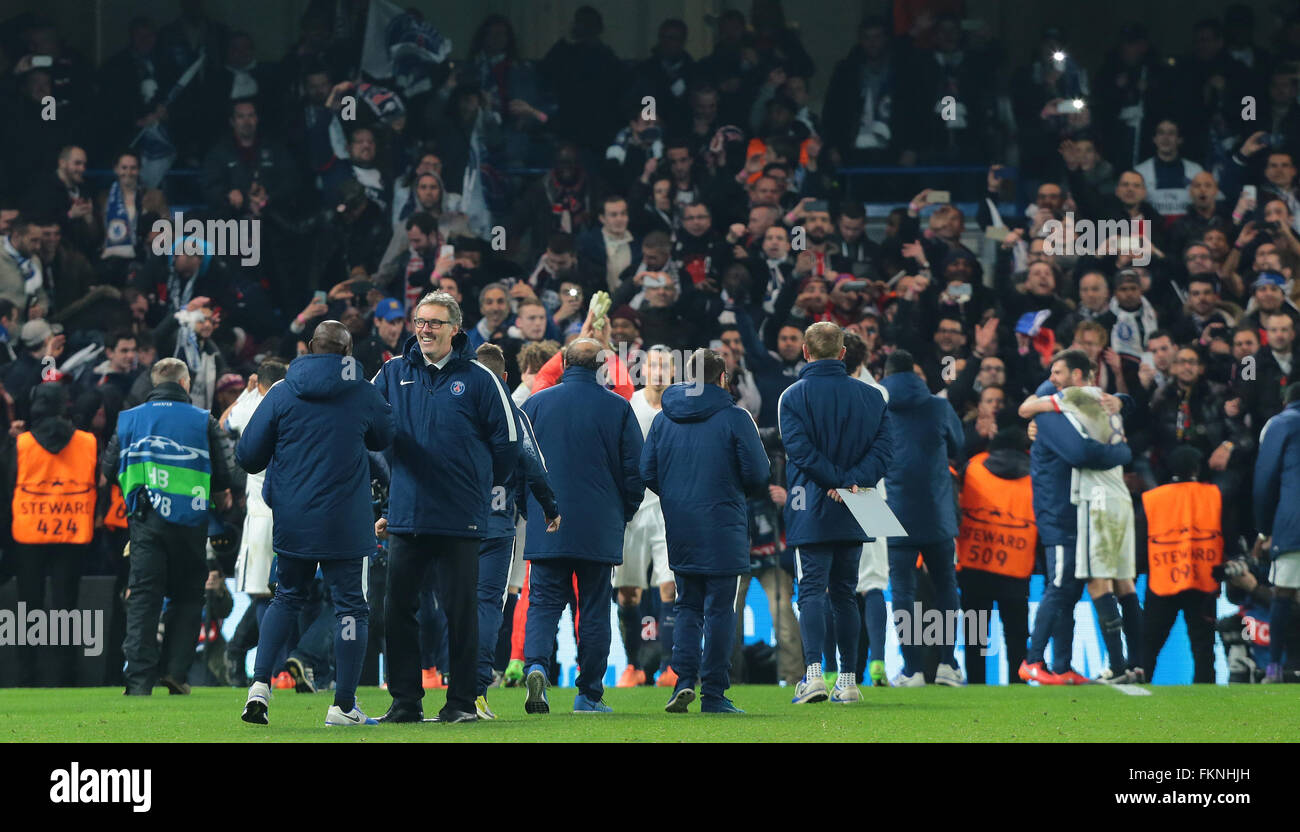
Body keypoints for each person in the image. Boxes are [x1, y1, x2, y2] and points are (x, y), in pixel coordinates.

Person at [372, 291, 519, 724]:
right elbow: (369, 432)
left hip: (460, 516)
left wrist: (478, 485)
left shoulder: (479, 378)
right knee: (397, 610)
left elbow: (507, 444)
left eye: (435, 323)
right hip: (407, 515)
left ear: (455, 328)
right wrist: (391, 483)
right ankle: (405, 702)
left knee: (461, 612)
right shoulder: (391, 373)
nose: (425, 330)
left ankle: (460, 703)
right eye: (420, 321)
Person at [237, 322, 393, 726]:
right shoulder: (361, 391)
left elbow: (248, 455)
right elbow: (383, 438)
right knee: (350, 608)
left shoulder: (282, 391)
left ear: (308, 348)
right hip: (346, 519)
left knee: (286, 598)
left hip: (293, 517)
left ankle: (259, 688)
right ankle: (342, 706)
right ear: (348, 353)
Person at [520, 337, 644, 714]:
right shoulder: (619, 408)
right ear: (603, 367)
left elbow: (517, 462)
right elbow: (635, 471)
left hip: (547, 520)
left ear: (563, 364)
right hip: (599, 522)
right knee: (593, 608)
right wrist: (623, 513)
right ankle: (589, 694)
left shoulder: (536, 404)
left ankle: (537, 664)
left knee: (542, 604)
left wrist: (528, 509)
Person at [642, 348, 770, 714]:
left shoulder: (664, 419)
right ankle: (713, 692)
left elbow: (646, 471)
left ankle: (682, 682)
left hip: (680, 524)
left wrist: (678, 496)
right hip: (723, 523)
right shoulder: (735, 417)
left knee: (686, 606)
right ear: (722, 378)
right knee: (718, 610)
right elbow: (759, 474)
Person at [778, 322, 892, 704]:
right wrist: (852, 483)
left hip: (809, 501)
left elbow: (800, 452)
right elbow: (884, 452)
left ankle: (813, 676)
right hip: (859, 501)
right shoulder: (873, 396)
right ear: (843, 353)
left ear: (806, 353)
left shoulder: (791, 397)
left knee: (811, 589)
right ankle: (848, 681)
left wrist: (836, 481)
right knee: (847, 592)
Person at [106, 357, 233, 695]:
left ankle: (138, 682)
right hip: (192, 521)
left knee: (144, 598)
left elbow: (107, 469)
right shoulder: (202, 420)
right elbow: (226, 472)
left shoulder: (129, 420)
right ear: (186, 383)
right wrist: (219, 496)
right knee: (189, 596)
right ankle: (176, 673)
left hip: (145, 520)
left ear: (154, 383)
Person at [1018, 351, 1133, 685]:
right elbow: (1079, 453)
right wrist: (1122, 453)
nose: (1053, 377)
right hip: (1058, 510)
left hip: (1071, 508)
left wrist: (1122, 400)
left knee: (1069, 589)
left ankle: (1062, 664)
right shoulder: (1052, 409)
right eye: (1052, 372)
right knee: (1059, 584)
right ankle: (1033, 660)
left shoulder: (1070, 405)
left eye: (1058, 372)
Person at [471, 342, 559, 720]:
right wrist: (549, 507)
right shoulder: (512, 412)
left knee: (452, 603)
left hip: (448, 522)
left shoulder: (453, 406)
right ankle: (475, 691)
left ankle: (438, 682)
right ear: (505, 377)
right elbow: (534, 463)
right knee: (489, 603)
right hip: (495, 521)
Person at [881, 348, 966, 686]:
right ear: (915, 374)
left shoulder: (877, 406)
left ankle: (912, 668)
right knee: (946, 585)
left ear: (886, 373)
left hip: (890, 507)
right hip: (936, 509)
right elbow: (959, 444)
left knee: (901, 589)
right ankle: (947, 664)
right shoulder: (939, 405)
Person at [6, 383, 97, 686]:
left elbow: (8, 489)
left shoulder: (21, 444)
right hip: (72, 532)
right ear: (64, 405)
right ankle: (65, 675)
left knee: (27, 605)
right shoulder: (87, 442)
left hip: (29, 533)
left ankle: (26, 674)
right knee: (65, 607)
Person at [218, 360, 287, 687]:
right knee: (291, 593)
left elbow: (223, 423)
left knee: (264, 594)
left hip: (261, 512)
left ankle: (267, 672)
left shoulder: (256, 406)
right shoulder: (294, 403)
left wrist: (245, 394)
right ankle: (284, 668)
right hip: (293, 511)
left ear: (258, 381)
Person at [614, 345, 676, 689]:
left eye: (664, 366)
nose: (657, 371)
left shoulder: (679, 405)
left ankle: (670, 667)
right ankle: (634, 666)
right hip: (634, 509)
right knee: (628, 592)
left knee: (669, 586)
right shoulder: (629, 405)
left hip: (668, 507)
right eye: (652, 365)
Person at [957, 426, 1037, 684]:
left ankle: (976, 683)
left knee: (975, 636)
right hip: (1016, 565)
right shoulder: (1036, 473)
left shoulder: (973, 467)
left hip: (974, 564)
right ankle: (1018, 684)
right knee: (1016, 635)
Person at [1141, 445, 1222, 683]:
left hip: (1162, 578)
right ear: (1197, 467)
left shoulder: (1152, 498)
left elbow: (1140, 538)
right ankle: (1206, 699)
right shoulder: (1213, 494)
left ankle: (1138, 687)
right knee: (1203, 646)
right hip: (1203, 577)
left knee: (1150, 643)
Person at [1253, 382, 1300, 683]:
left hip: (1293, 522)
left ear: (1286, 401)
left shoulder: (1281, 423)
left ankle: (1274, 668)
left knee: (1283, 590)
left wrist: (1263, 530)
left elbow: (1265, 477)